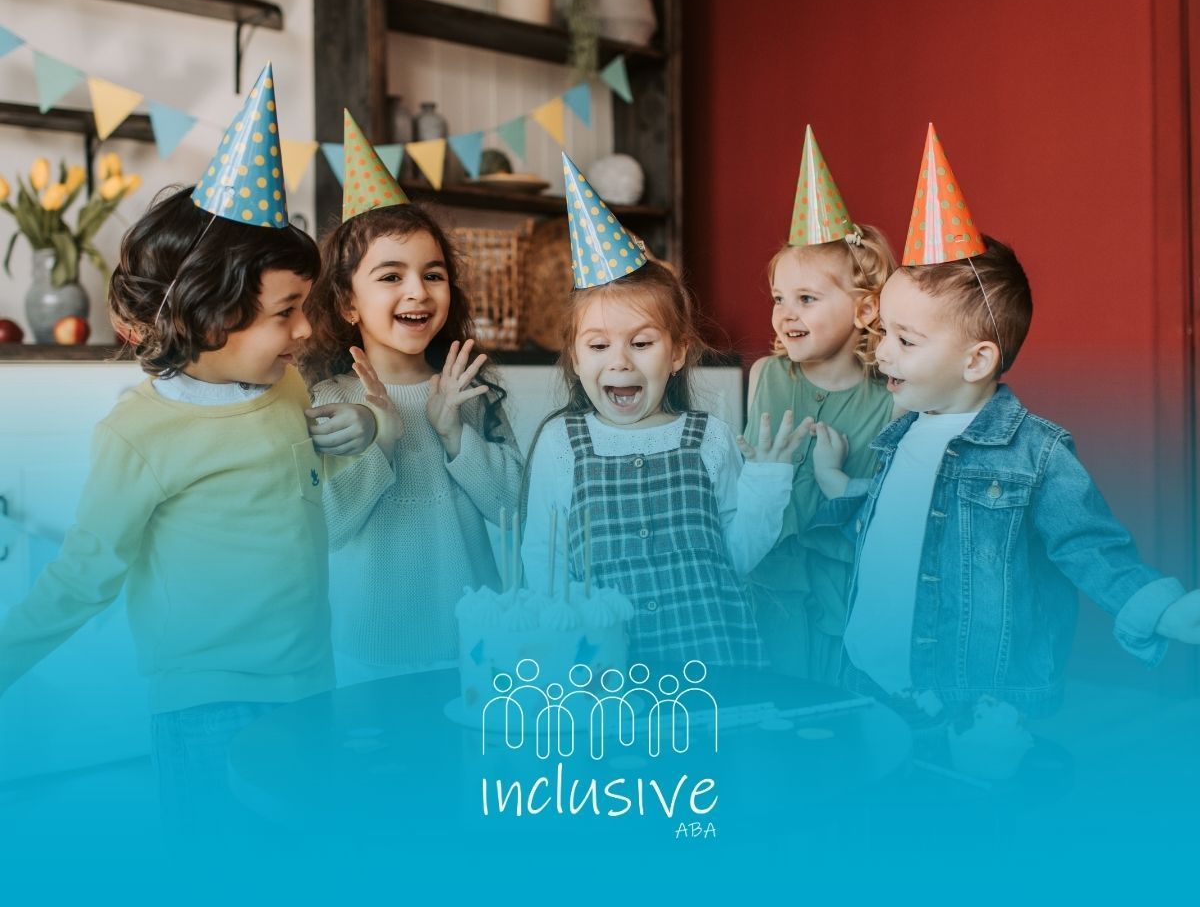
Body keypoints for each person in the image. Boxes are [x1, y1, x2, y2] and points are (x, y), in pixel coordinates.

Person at [0, 66, 378, 827]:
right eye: (286, 312)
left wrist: (362, 429)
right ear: (209, 318)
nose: (306, 331)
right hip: (207, 701)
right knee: (218, 865)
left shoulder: (288, 386)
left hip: (311, 679)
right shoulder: (139, 435)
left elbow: (310, 473)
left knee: (308, 859)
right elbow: (82, 577)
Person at [811, 125, 1200, 716]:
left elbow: (1089, 544)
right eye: (882, 332)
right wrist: (842, 488)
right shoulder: (902, 433)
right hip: (869, 679)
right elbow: (898, 522)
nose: (882, 351)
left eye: (905, 340)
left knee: (967, 805)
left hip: (974, 701)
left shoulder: (1035, 456)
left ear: (976, 360)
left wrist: (1159, 608)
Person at [520, 153, 805, 668]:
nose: (620, 362)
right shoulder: (561, 444)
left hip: (712, 658)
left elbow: (734, 560)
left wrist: (767, 480)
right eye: (599, 345)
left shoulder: (711, 438)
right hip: (604, 664)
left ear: (676, 353)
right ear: (576, 357)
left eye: (642, 342)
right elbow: (544, 559)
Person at [300, 111, 522, 684]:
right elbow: (328, 524)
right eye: (390, 276)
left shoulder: (469, 387)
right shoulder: (327, 396)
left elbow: (515, 507)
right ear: (348, 303)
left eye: (434, 274)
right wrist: (383, 438)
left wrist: (455, 435)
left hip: (473, 643)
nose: (417, 292)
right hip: (368, 651)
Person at [744, 126, 897, 682]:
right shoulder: (764, 375)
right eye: (779, 298)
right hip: (770, 573)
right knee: (775, 695)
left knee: (840, 697)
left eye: (807, 299)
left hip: (844, 579)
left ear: (863, 310)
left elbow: (889, 507)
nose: (786, 313)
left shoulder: (891, 399)